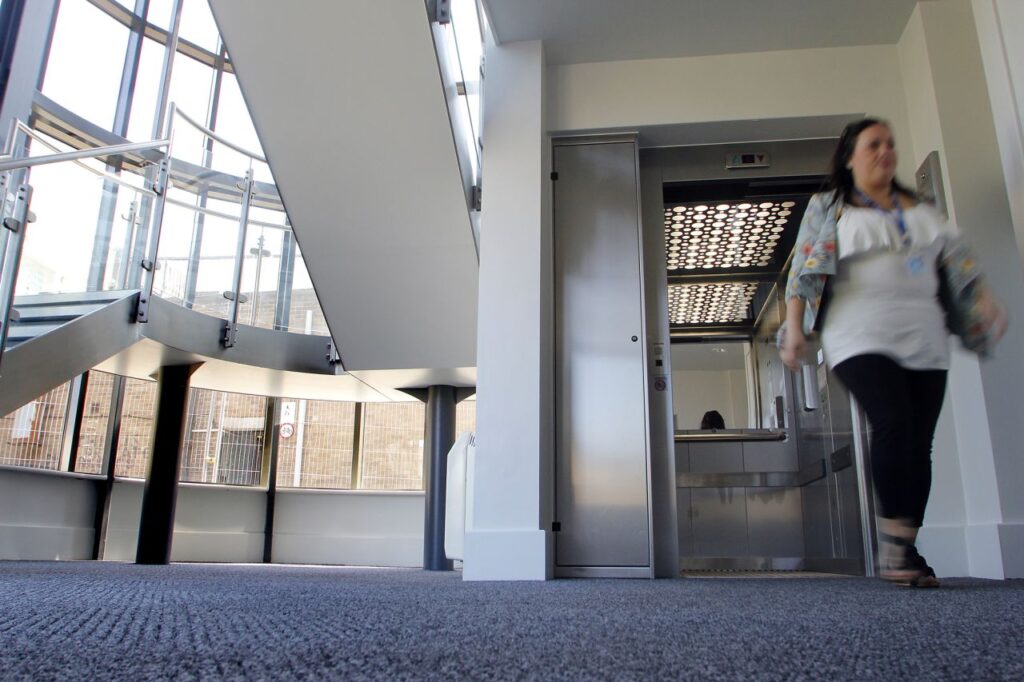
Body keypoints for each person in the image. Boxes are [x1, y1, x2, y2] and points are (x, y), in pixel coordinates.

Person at [779, 118, 1007, 588]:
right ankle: (895, 544)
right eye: (873, 145)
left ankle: (904, 545)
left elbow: (959, 261)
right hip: (857, 331)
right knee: (893, 422)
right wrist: (795, 328)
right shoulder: (831, 206)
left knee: (919, 442)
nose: (886, 152)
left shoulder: (921, 207)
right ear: (849, 157)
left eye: (890, 144)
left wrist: (983, 298)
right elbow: (803, 269)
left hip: (924, 335)